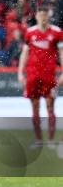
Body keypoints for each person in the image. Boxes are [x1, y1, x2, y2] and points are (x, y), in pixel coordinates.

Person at [18, 7, 63, 146]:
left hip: (49, 76)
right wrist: (20, 72)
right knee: (35, 107)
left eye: (45, 15)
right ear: (36, 16)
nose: (43, 17)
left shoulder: (57, 32)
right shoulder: (30, 33)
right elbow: (25, 53)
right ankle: (38, 140)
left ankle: (50, 140)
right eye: (40, 15)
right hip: (33, 76)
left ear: (48, 16)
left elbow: (62, 54)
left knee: (50, 107)